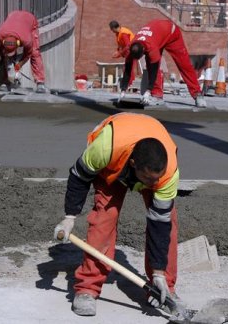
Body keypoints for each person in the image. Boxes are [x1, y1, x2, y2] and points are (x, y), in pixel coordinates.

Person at [54, 112, 180, 316]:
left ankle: (163, 289)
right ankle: (87, 288)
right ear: (133, 165)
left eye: (155, 180)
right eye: (147, 179)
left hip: (143, 158)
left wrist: (158, 272)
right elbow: (78, 177)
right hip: (113, 163)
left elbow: (160, 225)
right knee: (104, 219)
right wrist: (70, 217)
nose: (151, 185)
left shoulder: (168, 173)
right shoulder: (105, 148)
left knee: (170, 224)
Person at [119, 19, 207, 108]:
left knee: (183, 63)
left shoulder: (151, 48)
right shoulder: (130, 47)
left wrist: (148, 91)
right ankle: (157, 95)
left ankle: (197, 94)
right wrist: (123, 90)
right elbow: (127, 69)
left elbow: (153, 70)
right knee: (150, 62)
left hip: (172, 34)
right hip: (158, 33)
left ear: (144, 50)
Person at [0, 10, 48, 93]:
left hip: (29, 20)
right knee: (4, 56)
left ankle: (40, 83)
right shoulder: (0, 35)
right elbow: (3, 51)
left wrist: (19, 64)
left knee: (35, 52)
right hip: (13, 17)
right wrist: (9, 62)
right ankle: (5, 81)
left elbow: (28, 53)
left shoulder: (26, 39)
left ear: (18, 43)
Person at [109, 20, 137, 87]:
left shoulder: (124, 33)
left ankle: (129, 84)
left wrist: (119, 54)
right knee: (127, 68)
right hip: (129, 51)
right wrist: (118, 51)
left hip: (132, 51)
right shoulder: (118, 33)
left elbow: (128, 46)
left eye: (111, 29)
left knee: (128, 68)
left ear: (113, 28)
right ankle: (128, 83)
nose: (111, 31)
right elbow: (120, 44)